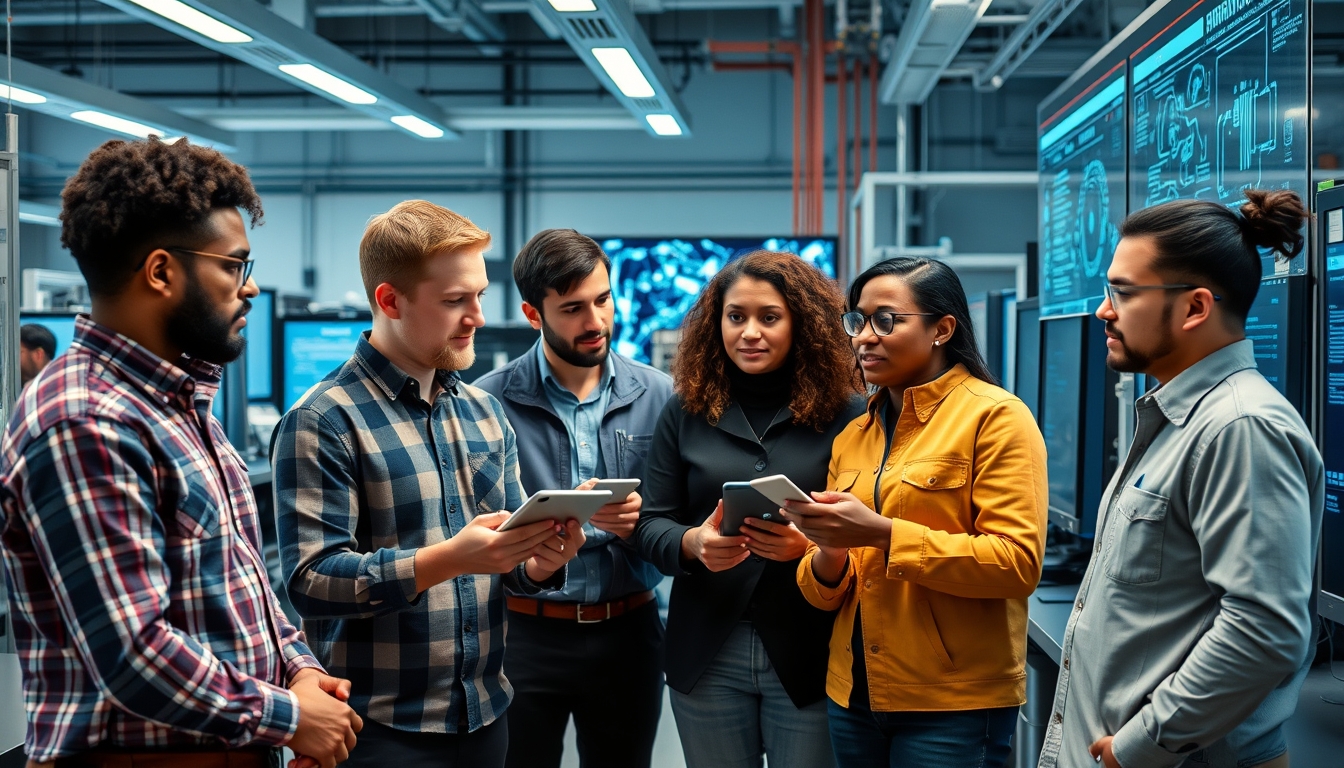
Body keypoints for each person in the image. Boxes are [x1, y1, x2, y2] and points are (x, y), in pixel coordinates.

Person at [0, 137, 361, 768]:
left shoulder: (179, 404)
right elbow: (133, 652)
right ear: (162, 272)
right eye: (233, 265)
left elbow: (243, 579)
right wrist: (290, 717)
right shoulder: (86, 420)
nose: (248, 290)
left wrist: (300, 671)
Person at [271, 200, 585, 768]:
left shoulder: (485, 413)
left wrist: (538, 561)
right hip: (380, 729)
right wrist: (446, 559)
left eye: (479, 296)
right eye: (454, 301)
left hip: (485, 716)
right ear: (390, 300)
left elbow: (508, 563)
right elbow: (310, 580)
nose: (478, 317)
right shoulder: (325, 419)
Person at [1036, 190, 1322, 768]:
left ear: (1194, 308)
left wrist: (1138, 747)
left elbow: (1263, 629)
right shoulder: (1175, 417)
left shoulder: (1239, 428)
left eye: (1122, 293)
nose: (1103, 311)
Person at [784, 256, 1047, 768]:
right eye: (857, 320)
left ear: (942, 329)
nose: (863, 337)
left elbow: (1017, 564)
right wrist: (830, 550)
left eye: (886, 320)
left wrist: (884, 534)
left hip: (953, 702)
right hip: (855, 691)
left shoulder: (996, 418)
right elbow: (824, 592)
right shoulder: (855, 434)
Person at [633, 250, 864, 768]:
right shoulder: (687, 409)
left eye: (769, 317)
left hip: (811, 650)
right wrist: (693, 544)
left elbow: (868, 527)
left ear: (801, 323)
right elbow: (650, 524)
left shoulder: (851, 412)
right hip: (707, 651)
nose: (749, 332)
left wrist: (809, 548)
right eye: (736, 317)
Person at [473, 229, 672, 768]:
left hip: (628, 632)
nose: (595, 322)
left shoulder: (660, 395)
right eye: (573, 309)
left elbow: (682, 520)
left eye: (603, 300)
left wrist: (642, 524)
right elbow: (473, 529)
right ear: (534, 314)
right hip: (523, 635)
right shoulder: (486, 402)